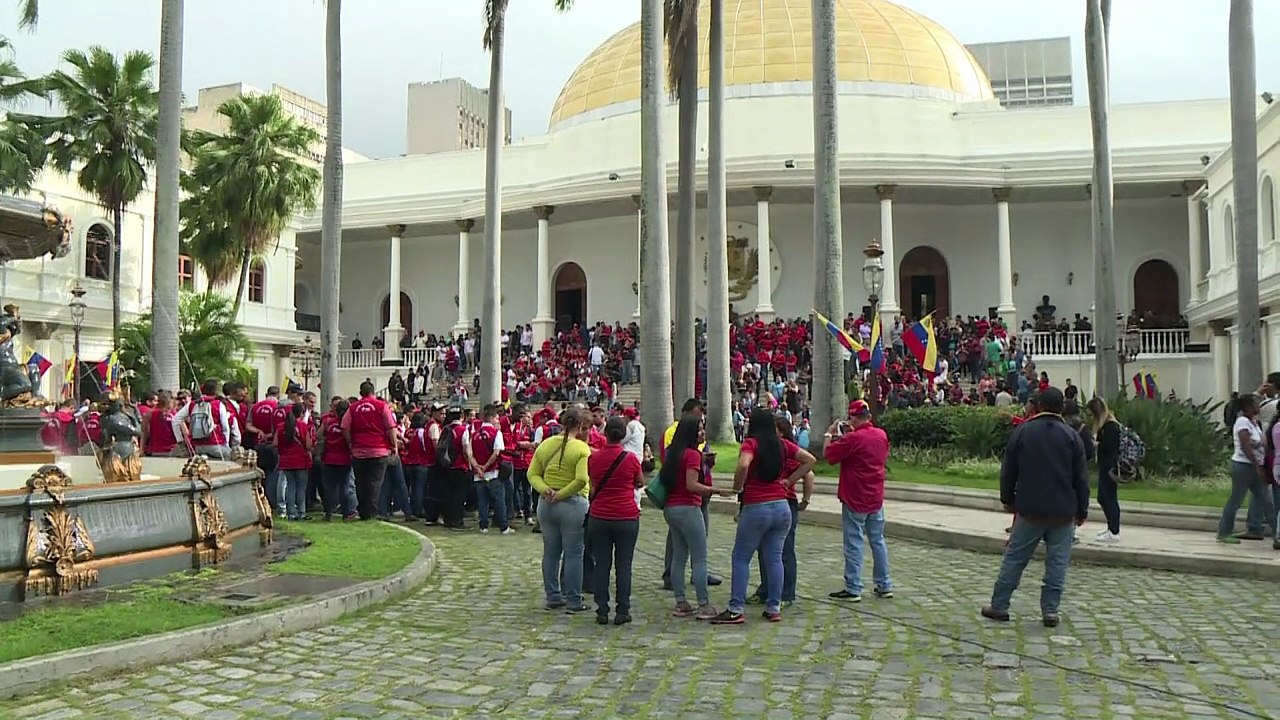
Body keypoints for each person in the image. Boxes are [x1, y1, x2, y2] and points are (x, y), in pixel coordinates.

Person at [982, 387, 1088, 627]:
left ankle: (1000, 605)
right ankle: (1050, 611)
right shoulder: (1072, 437)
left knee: (1015, 559)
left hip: (1030, 508)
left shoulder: (1024, 431)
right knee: (1057, 563)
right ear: (1062, 407)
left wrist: (1008, 499)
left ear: (1038, 406)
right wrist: (1081, 510)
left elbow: (1009, 470)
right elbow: (1081, 478)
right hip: (1063, 510)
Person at [712, 411, 815, 625]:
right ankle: (773, 606)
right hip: (782, 506)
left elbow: (743, 464)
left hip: (757, 505)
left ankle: (735, 608)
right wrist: (788, 480)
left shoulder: (752, 444)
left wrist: (737, 487)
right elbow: (809, 460)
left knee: (741, 557)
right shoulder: (782, 444)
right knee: (775, 557)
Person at [824, 400, 893, 603]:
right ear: (869, 416)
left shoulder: (853, 438)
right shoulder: (881, 435)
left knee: (854, 542)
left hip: (855, 496)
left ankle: (853, 587)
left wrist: (830, 434)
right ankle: (884, 584)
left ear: (854, 417)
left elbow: (829, 455)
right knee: (878, 541)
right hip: (875, 495)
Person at [528, 406, 592, 613]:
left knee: (551, 552)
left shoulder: (546, 445)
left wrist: (546, 490)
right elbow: (582, 479)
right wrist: (563, 493)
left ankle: (552, 596)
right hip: (572, 504)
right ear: (581, 426)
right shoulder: (581, 449)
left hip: (546, 503)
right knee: (574, 553)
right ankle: (573, 600)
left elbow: (533, 474)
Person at [749, 415, 814, 609]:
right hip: (764, 500)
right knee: (763, 549)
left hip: (785, 501)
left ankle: (786, 592)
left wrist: (793, 485)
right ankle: (766, 588)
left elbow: (809, 472)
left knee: (784, 549)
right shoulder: (764, 447)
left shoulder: (785, 448)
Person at [586, 416, 645, 626]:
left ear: (605, 433)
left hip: (600, 515)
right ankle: (623, 609)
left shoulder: (594, 458)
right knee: (624, 564)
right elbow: (639, 482)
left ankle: (602, 609)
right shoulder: (630, 459)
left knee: (602, 563)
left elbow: (592, 482)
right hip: (626, 515)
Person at [661, 414, 721, 620]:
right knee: (699, 557)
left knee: (679, 556)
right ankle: (703, 604)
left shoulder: (673, 452)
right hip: (688, 507)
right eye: (700, 429)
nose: (703, 433)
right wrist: (715, 490)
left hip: (671, 508)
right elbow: (692, 485)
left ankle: (681, 601)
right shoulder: (693, 455)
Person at [1217, 393, 1276, 543]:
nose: (1259, 406)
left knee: (1266, 500)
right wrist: (1258, 467)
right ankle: (1224, 532)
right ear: (1248, 406)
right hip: (1244, 466)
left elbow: (1258, 443)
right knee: (1236, 499)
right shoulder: (1242, 422)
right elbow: (1245, 446)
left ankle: (1275, 532)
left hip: (1256, 465)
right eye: (1256, 403)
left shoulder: (1254, 422)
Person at [341, 381, 397, 520]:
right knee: (375, 483)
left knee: (360, 482)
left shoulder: (353, 408)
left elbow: (345, 426)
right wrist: (394, 445)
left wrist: (350, 442)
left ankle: (363, 511)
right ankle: (371, 512)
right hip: (379, 450)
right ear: (373, 392)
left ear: (361, 393)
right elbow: (391, 428)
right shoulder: (382, 406)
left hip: (359, 450)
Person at [465, 404, 511, 534]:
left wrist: (477, 467)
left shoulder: (474, 435)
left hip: (478, 474)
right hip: (493, 473)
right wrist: (485, 467)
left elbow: (469, 454)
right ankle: (503, 526)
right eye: (496, 418)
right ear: (492, 418)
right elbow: (496, 453)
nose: (497, 421)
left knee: (482, 501)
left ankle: (483, 526)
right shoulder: (496, 433)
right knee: (499, 500)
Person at [172, 378, 239, 460]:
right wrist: (226, 444)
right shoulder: (218, 404)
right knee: (233, 459)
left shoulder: (192, 404)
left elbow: (175, 420)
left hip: (197, 447)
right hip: (216, 445)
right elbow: (225, 427)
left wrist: (180, 441)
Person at [1085, 397, 1122, 544]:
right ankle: (1111, 527)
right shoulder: (1105, 425)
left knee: (1108, 497)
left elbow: (1110, 447)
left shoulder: (1111, 426)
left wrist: (1096, 444)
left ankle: (1114, 530)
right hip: (1105, 465)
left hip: (1110, 466)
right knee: (1104, 497)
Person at [275, 402, 315, 521]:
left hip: (286, 461)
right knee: (301, 488)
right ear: (302, 413)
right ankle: (301, 512)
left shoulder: (281, 426)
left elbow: (275, 443)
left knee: (290, 486)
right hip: (301, 460)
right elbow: (308, 445)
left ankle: (290, 513)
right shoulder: (302, 426)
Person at [320, 399, 356, 521]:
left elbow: (319, 435)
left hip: (329, 458)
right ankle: (346, 513)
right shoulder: (348, 425)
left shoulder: (329, 423)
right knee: (345, 488)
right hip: (344, 459)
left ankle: (328, 513)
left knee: (329, 488)